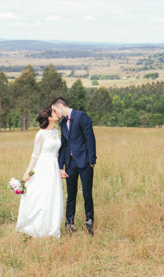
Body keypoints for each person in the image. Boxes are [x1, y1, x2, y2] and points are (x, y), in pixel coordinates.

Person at [16, 107, 64, 238]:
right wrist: (28, 172)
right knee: (41, 195)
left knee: (52, 196)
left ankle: (52, 227)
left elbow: (59, 153)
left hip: (53, 166)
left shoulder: (56, 132)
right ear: (49, 117)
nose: (56, 113)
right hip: (43, 166)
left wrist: (60, 168)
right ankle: (37, 226)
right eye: (53, 112)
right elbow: (35, 155)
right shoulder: (40, 134)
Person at [51, 97, 97, 236]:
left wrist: (91, 161)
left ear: (60, 106)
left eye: (54, 110)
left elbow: (90, 138)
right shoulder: (63, 124)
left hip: (85, 163)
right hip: (70, 165)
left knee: (87, 194)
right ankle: (69, 224)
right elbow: (64, 145)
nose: (54, 113)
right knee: (71, 195)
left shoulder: (82, 117)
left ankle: (89, 223)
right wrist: (60, 167)